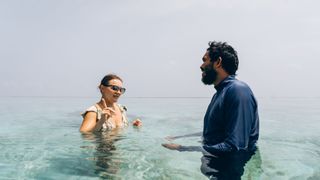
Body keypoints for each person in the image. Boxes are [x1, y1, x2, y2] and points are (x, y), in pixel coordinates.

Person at [162, 41, 259, 179]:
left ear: (218, 62)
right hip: (217, 171)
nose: (201, 66)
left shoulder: (238, 91)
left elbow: (235, 146)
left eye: (204, 60)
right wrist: (180, 137)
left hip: (228, 172)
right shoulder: (220, 93)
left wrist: (182, 148)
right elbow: (214, 131)